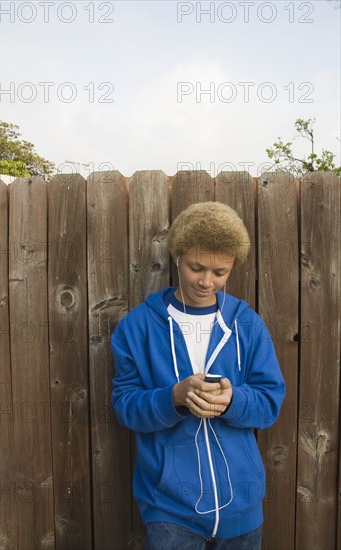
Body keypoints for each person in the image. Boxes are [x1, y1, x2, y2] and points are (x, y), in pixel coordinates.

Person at [111, 202, 286, 550]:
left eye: (220, 272)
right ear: (178, 257)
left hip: (242, 505)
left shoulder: (247, 324)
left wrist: (233, 399)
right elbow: (125, 405)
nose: (207, 281)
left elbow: (269, 402)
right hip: (169, 508)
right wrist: (172, 397)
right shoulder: (137, 327)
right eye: (196, 268)